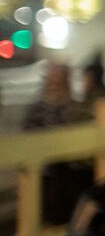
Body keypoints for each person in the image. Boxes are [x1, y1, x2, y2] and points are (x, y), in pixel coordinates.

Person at [23, 62, 94, 225]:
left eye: (60, 79)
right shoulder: (35, 109)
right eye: (52, 79)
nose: (55, 83)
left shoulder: (79, 108)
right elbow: (27, 135)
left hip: (72, 172)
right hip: (45, 171)